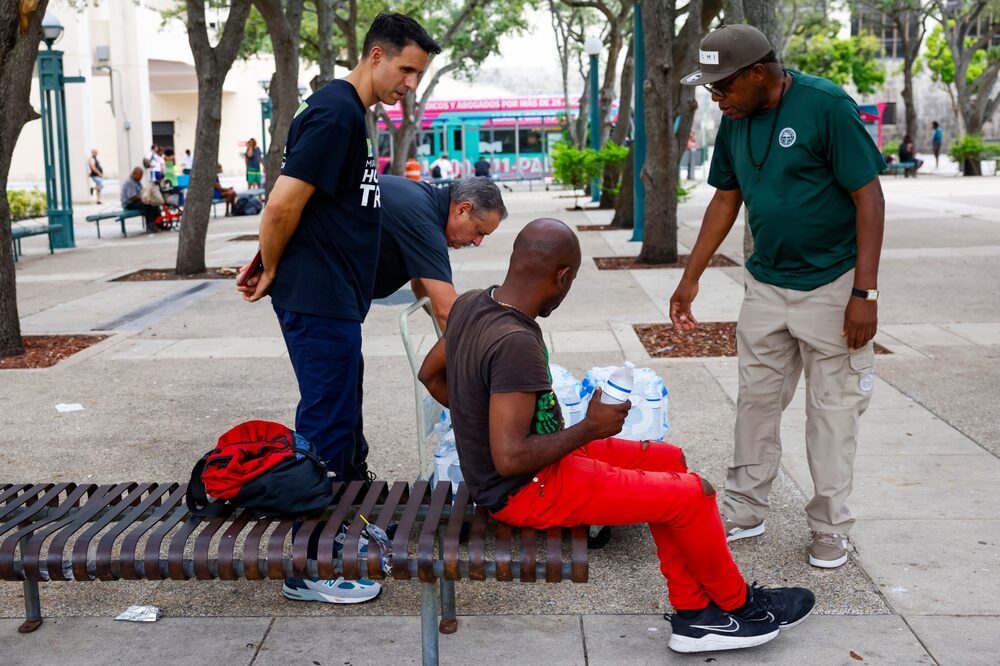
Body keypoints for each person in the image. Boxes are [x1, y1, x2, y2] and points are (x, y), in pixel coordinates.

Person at [417, 218, 816, 655]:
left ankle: (695, 614)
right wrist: (590, 426)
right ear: (562, 276)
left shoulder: (473, 303)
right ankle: (741, 607)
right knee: (693, 495)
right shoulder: (516, 341)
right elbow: (511, 458)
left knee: (670, 460)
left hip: (533, 469)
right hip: (524, 489)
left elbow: (430, 372)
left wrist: (477, 419)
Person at [236, 12, 441, 606]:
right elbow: (282, 204)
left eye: (418, 75)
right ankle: (309, 566)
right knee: (326, 424)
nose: (410, 85)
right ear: (376, 55)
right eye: (406, 70)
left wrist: (272, 260)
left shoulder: (351, 113)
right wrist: (271, 265)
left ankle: (343, 527)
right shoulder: (335, 112)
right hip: (317, 295)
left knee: (343, 424)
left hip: (333, 296)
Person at [674, 24, 886, 568]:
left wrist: (865, 291)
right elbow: (726, 198)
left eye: (722, 88)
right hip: (766, 283)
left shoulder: (827, 106)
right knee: (755, 403)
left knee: (832, 412)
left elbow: (869, 198)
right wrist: (691, 275)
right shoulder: (736, 118)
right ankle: (745, 508)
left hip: (832, 284)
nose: (716, 100)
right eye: (711, 92)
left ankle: (830, 527)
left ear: (758, 73)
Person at [120, 166, 160, 231]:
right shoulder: (130, 182)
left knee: (153, 204)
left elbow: (142, 192)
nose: (141, 177)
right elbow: (133, 197)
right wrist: (144, 198)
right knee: (146, 205)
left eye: (141, 176)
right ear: (134, 174)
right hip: (129, 204)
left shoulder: (137, 181)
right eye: (140, 176)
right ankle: (150, 225)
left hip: (136, 201)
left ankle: (158, 223)